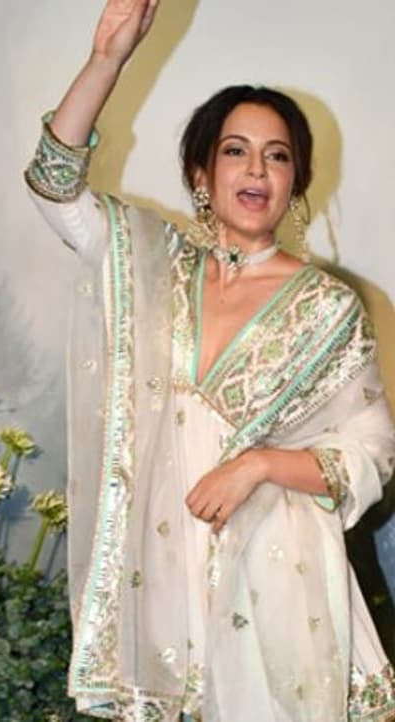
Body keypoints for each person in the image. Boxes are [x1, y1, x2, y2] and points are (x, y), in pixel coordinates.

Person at [25, 0, 395, 718]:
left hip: (278, 585)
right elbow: (51, 182)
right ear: (201, 173)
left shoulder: (326, 307)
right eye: (235, 150)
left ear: (296, 182)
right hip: (164, 587)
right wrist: (106, 59)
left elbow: (373, 450)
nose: (256, 168)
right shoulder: (152, 266)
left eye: (277, 155)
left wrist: (258, 465)